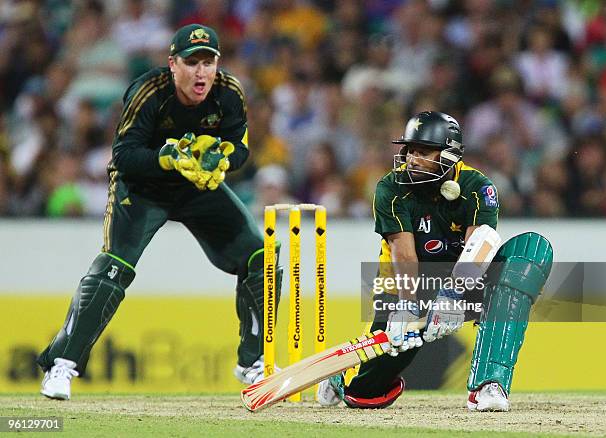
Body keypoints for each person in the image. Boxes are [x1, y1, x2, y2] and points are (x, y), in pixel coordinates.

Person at [37, 24, 282, 400]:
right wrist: (166, 158)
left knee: (262, 256)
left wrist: (222, 156)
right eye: (192, 62)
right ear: (172, 64)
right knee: (115, 266)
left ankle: (253, 363)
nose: (201, 72)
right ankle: (61, 366)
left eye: (208, 62)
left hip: (195, 187)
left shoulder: (228, 92)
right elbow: (123, 155)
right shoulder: (149, 91)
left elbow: (240, 147)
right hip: (142, 187)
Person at [317, 111, 553, 411]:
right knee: (364, 393)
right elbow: (403, 252)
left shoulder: (477, 187)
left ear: (449, 153)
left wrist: (452, 295)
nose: (412, 159)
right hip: (407, 286)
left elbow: (479, 244)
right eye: (410, 151)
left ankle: (489, 385)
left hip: (463, 280)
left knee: (530, 251)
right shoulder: (391, 187)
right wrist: (408, 304)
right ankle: (345, 374)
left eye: (423, 152)